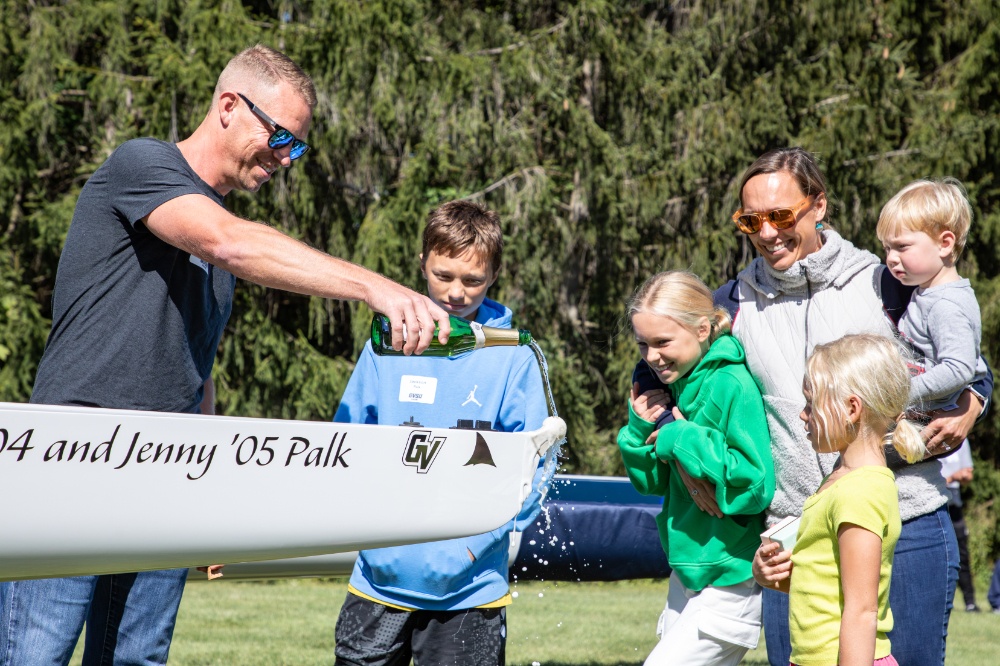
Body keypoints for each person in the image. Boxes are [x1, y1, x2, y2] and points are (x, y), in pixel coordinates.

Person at [0, 45, 451, 666]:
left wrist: (210, 495)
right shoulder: (144, 165)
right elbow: (228, 243)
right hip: (71, 460)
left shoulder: (221, 259)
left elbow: (196, 373)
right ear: (229, 106)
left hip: (164, 472)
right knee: (33, 656)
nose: (286, 158)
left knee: (137, 659)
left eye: (298, 147)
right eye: (282, 137)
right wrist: (375, 287)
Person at [694, 147, 991, 666]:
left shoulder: (886, 282)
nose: (767, 233)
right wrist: (668, 433)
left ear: (819, 206)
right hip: (797, 535)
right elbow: (661, 350)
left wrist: (977, 398)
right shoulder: (732, 304)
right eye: (751, 221)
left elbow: (965, 356)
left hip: (907, 524)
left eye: (782, 216)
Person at [332, 200, 550, 666]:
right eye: (442, 275)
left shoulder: (514, 356)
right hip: (378, 580)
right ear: (422, 264)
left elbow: (537, 462)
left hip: (470, 593)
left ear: (493, 274)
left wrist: (483, 542)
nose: (455, 292)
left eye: (472, 280)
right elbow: (347, 440)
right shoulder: (387, 344)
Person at [617, 271, 775, 666]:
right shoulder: (669, 385)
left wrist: (679, 438)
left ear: (702, 329)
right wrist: (638, 431)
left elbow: (754, 484)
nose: (651, 356)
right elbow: (650, 482)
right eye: (642, 344)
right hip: (685, 572)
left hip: (732, 577)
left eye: (663, 342)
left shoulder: (732, 384)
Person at [753, 334, 926, 666]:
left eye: (811, 404)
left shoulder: (859, 491)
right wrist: (769, 574)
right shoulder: (843, 480)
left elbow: (861, 611)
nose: (803, 416)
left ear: (851, 408)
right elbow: (828, 589)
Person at [876, 178, 988, 416]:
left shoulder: (946, 305)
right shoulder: (928, 291)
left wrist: (901, 393)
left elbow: (959, 369)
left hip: (927, 424)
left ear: (944, 244)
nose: (891, 258)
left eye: (902, 246)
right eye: (887, 248)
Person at [939, 444, 979, 611]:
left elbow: (968, 473)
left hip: (955, 503)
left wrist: (961, 477)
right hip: (936, 500)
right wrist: (952, 476)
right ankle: (941, 600)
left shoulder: (961, 440)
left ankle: (970, 602)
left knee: (962, 554)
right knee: (939, 555)